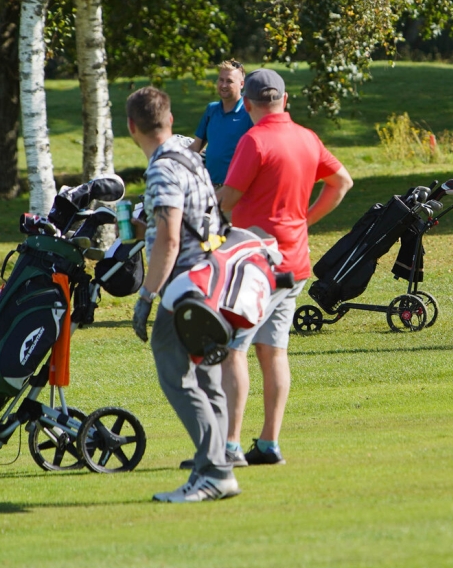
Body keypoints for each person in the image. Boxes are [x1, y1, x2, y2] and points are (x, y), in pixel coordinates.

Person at [218, 68, 353, 465]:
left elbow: (228, 199)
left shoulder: (254, 140)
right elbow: (341, 182)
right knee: (274, 352)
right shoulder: (306, 137)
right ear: (285, 99)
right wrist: (305, 219)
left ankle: (227, 446)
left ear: (247, 103)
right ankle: (269, 442)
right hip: (293, 262)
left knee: (233, 351)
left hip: (254, 263)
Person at [125, 85, 240, 503]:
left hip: (183, 285)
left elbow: (169, 239)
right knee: (206, 375)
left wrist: (146, 297)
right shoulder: (191, 157)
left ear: (131, 127)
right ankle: (216, 463)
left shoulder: (160, 169)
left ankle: (213, 472)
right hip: (210, 276)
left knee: (175, 373)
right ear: (170, 120)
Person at [190, 59, 253, 187]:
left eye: (229, 81)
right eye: (221, 80)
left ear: (242, 84)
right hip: (210, 187)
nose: (223, 85)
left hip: (236, 190)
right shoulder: (211, 110)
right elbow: (195, 148)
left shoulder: (249, 113)